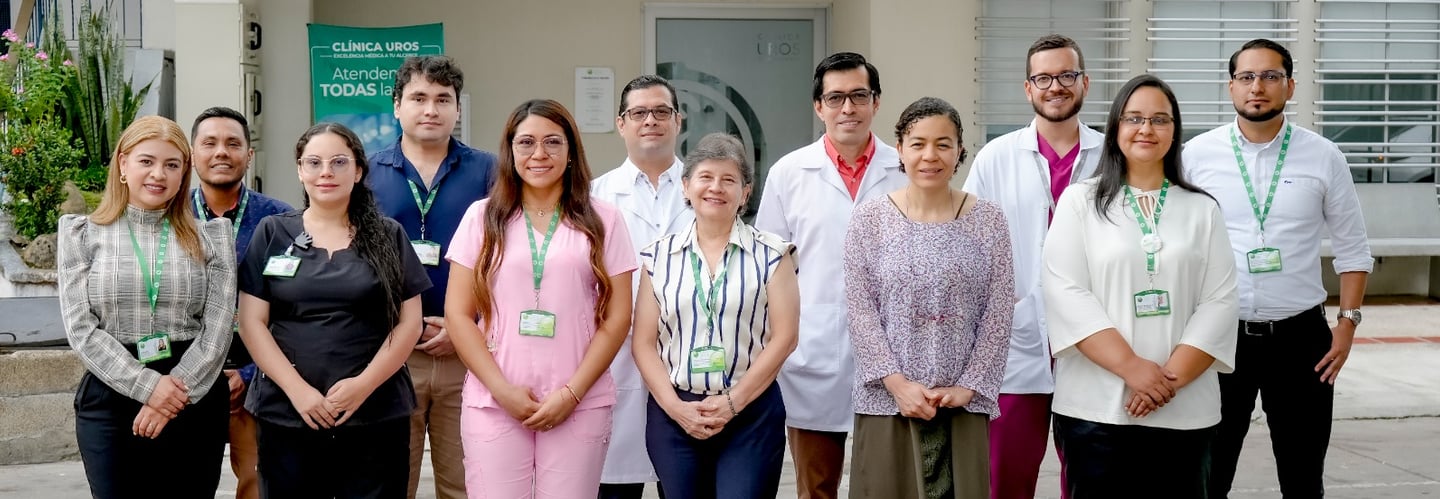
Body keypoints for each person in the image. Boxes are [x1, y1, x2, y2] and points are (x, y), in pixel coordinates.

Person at [1183, 39, 1373, 499]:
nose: (1258, 87)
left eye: (1270, 76)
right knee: (1208, 474)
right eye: (1247, 77)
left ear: (1290, 86)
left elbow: (1353, 249)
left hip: (1300, 340)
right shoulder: (1195, 155)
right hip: (1219, 337)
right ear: (1231, 86)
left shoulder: (1324, 156)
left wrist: (1346, 326)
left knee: (1303, 476)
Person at [1041, 74, 1239, 498]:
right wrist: (1132, 368)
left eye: (1159, 119)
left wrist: (1165, 383)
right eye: (1134, 118)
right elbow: (1065, 292)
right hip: (1096, 408)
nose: (1146, 129)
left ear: (1175, 130)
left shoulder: (1202, 209)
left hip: (1185, 407)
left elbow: (1219, 302)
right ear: (1115, 127)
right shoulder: (1080, 202)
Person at [444, 99, 637, 498]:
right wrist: (502, 391)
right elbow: (458, 315)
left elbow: (618, 317)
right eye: (526, 142)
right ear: (510, 151)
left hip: (578, 401)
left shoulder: (604, 220)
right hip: (495, 400)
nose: (539, 153)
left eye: (553, 142)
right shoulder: (482, 218)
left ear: (571, 151)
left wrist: (572, 393)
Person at [237, 123, 431, 497]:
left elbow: (409, 323)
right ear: (300, 170)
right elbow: (251, 322)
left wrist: (363, 386)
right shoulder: (272, 232)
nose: (326, 172)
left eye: (339, 162)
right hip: (288, 412)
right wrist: (298, 391)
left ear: (358, 171)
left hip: (375, 411)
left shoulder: (389, 235)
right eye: (314, 162)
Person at [753, 51, 908, 499]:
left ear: (876, 102)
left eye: (859, 96)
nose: (848, 108)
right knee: (816, 487)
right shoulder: (789, 173)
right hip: (814, 350)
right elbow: (768, 268)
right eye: (835, 98)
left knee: (885, 486)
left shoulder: (905, 169)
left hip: (896, 351)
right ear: (818, 106)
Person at [58, 115, 236, 498]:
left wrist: (171, 396)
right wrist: (149, 387)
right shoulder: (81, 234)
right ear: (123, 164)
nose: (159, 174)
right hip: (110, 391)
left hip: (192, 390)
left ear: (184, 172)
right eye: (146, 161)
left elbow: (219, 329)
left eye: (172, 164)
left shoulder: (211, 238)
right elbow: (80, 328)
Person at [845, 97, 1014, 499]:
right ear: (900, 149)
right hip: (887, 402)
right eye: (918, 143)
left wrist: (969, 386)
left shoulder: (989, 220)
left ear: (959, 151)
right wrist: (897, 384)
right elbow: (860, 309)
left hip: (961, 404)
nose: (930, 155)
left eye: (943, 144)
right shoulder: (869, 220)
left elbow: (999, 309)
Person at [962, 34, 1101, 499]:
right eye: (1043, 78)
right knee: (1006, 478)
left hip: (1095, 338)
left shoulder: (1113, 156)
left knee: (1088, 478)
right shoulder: (995, 157)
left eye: (1066, 75)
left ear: (1085, 83)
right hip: (1017, 344)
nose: (1055, 86)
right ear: (1028, 88)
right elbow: (970, 246)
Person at [632, 133, 800, 499]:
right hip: (675, 413)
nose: (716, 188)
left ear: (745, 192)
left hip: (750, 412)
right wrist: (676, 408)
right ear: (686, 186)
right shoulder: (657, 257)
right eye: (705, 177)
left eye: (729, 179)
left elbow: (785, 337)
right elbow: (643, 343)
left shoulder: (773, 254)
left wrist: (733, 402)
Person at [367, 55, 497, 499]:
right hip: (387, 354)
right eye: (418, 98)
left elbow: (506, 258)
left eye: (443, 99)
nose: (431, 109)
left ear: (458, 108)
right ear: (396, 105)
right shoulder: (366, 173)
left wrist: (471, 325)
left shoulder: (490, 172)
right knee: (389, 484)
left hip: (468, 352)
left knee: (465, 485)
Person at [591, 74, 694, 499]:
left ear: (678, 121)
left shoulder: (704, 189)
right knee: (616, 485)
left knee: (684, 483)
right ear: (621, 123)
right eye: (638, 113)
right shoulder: (595, 196)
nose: (650, 120)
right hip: (617, 356)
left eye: (661, 111)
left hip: (690, 353)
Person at [189, 106, 294, 499]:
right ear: (193, 154)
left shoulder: (281, 220)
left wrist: (248, 374)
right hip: (186, 378)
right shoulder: (171, 216)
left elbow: (293, 308)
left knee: (258, 483)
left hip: (260, 377)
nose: (221, 152)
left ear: (249, 155)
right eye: (210, 143)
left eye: (232, 143)